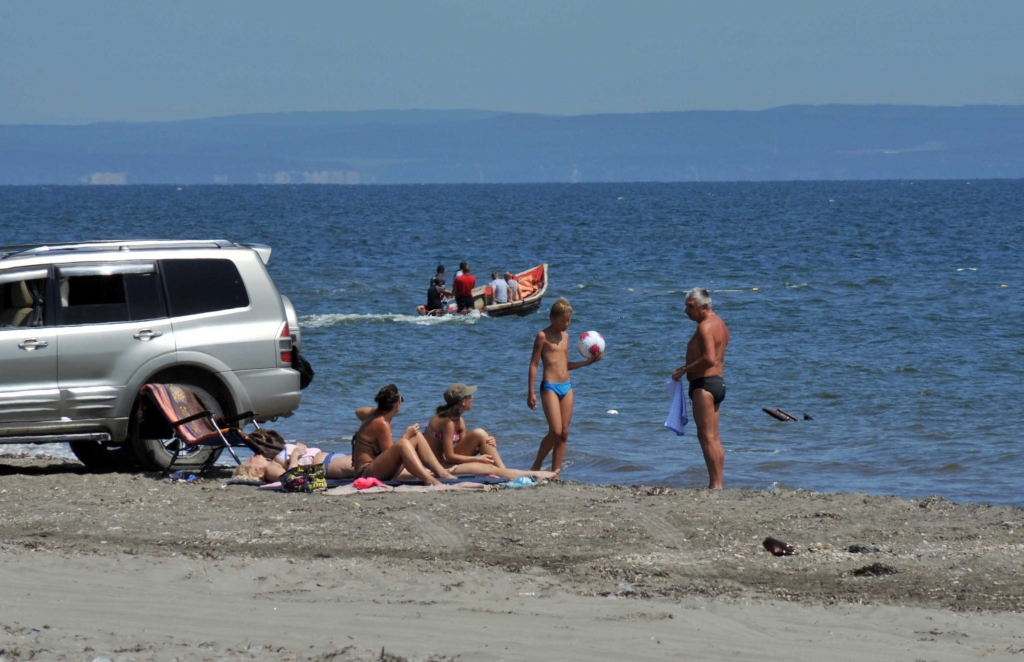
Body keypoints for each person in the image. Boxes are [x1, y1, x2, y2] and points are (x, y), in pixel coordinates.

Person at [421, 383, 560, 480]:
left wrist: (483, 444)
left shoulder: (459, 421)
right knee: (484, 451)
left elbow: (461, 448)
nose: (473, 398)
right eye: (470, 396)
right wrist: (477, 458)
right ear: (462, 402)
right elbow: (450, 457)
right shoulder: (448, 422)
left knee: (481, 435)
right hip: (439, 466)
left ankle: (507, 473)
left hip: (447, 460)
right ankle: (521, 474)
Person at [527, 297, 603, 472]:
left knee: (564, 433)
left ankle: (555, 473)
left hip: (566, 387)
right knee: (555, 431)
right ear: (552, 319)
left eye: (569, 320)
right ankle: (536, 466)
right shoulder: (542, 336)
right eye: (563, 321)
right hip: (549, 387)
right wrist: (530, 392)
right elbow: (534, 364)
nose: (566, 324)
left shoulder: (566, 336)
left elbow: (565, 364)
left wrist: (587, 363)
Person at [671, 288, 730, 490]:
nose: (686, 311)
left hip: (704, 385)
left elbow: (709, 359)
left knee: (706, 437)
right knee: (713, 437)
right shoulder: (720, 324)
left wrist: (682, 370)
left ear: (704, 306)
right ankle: (718, 482)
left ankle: (715, 485)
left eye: (690, 307)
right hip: (717, 384)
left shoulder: (705, 327)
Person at [351, 385, 454, 486]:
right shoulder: (382, 424)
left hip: (374, 468)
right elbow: (390, 454)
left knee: (416, 435)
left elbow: (358, 411)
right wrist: (406, 435)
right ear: (397, 405)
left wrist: (377, 410)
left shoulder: (372, 413)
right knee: (403, 444)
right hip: (365, 474)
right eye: (401, 400)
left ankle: (441, 472)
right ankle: (429, 479)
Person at [233, 439, 355, 483]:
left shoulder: (274, 461)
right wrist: (295, 456)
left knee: (366, 461)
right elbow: (292, 477)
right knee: (363, 466)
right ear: (256, 470)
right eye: (249, 461)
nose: (251, 457)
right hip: (327, 465)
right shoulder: (271, 470)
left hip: (331, 458)